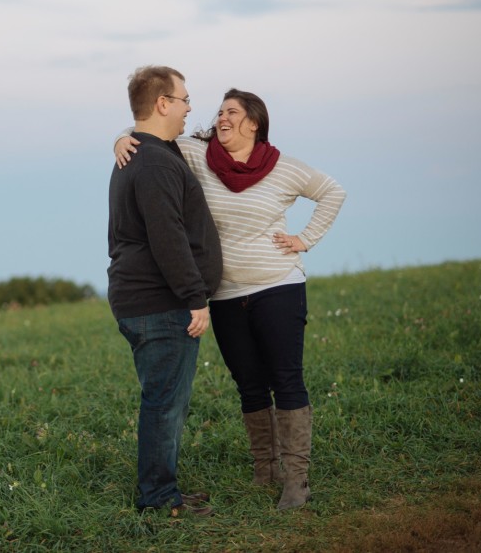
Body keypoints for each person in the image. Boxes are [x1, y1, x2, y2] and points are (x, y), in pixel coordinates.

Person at [114, 88, 346, 510]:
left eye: (232, 112)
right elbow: (150, 133)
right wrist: (119, 139)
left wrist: (304, 240)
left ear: (253, 122)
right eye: (219, 111)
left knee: (287, 380)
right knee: (249, 384)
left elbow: (333, 192)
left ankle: (296, 482)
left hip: (278, 287)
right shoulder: (197, 155)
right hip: (224, 294)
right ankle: (265, 470)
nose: (221, 117)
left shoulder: (285, 168)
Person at [107, 66, 223, 516]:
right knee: (163, 404)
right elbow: (167, 235)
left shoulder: (143, 153)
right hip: (160, 302)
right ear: (162, 104)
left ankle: (163, 490)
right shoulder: (153, 161)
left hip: (144, 299)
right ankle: (158, 500)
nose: (190, 107)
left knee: (166, 400)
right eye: (184, 99)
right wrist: (195, 297)